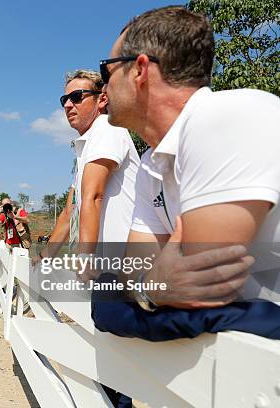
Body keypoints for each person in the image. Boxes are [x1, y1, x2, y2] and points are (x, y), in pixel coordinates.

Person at [94, 6, 280, 340]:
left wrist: (144, 290)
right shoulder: (151, 165)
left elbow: (202, 289)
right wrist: (149, 286)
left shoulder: (228, 116)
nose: (103, 87)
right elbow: (135, 273)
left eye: (107, 70)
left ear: (139, 70)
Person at [34, 70, 140, 273]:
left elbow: (94, 195)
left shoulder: (107, 127)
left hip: (123, 268)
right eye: (64, 99)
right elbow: (69, 212)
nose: (67, 105)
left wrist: (85, 257)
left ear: (102, 99)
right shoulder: (87, 144)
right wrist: (44, 257)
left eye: (76, 97)